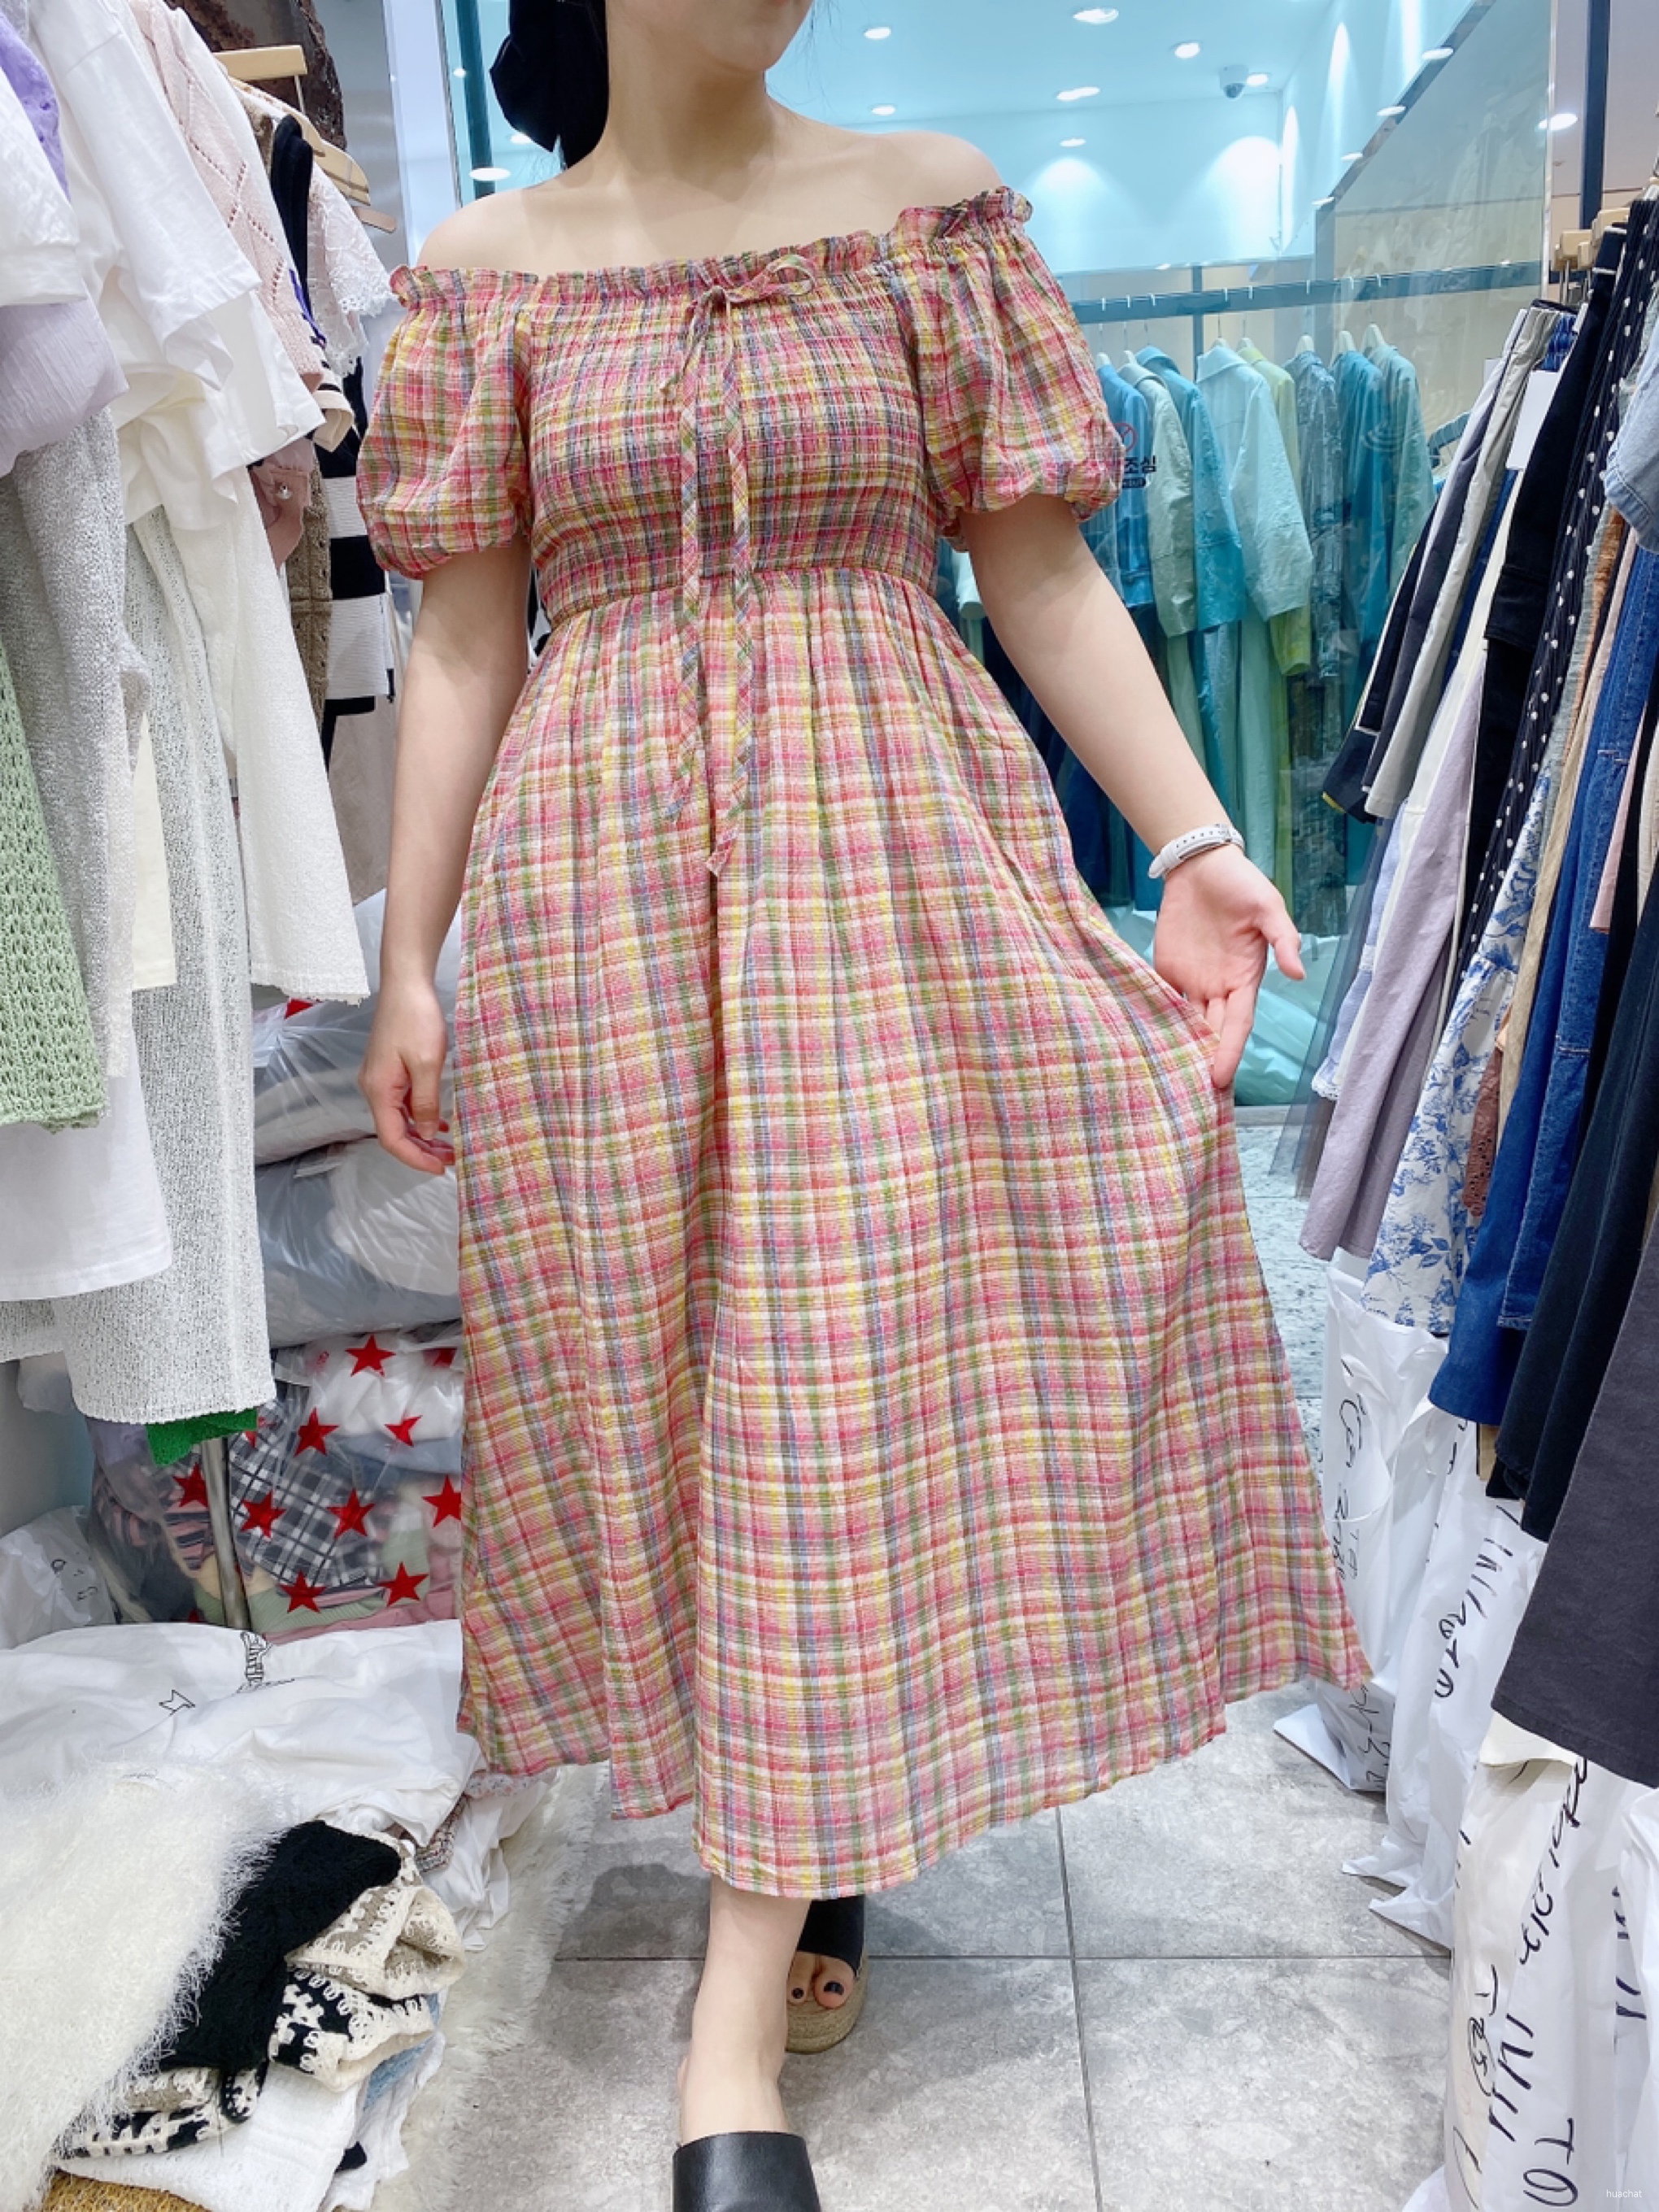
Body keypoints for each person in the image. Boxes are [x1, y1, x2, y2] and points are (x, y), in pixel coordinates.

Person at [356, 2, 1363, 2204]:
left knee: (832, 1384)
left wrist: (1197, 841)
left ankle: (730, 2037)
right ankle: (807, 1826)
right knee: (664, 1384)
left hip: (889, 861)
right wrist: (408, 959)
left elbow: (1040, 568)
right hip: (601, 893)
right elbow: (463, 637)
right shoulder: (486, 273)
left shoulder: (925, 215)